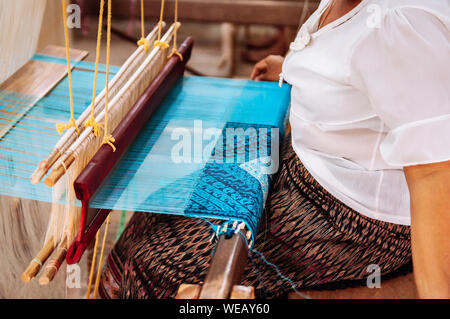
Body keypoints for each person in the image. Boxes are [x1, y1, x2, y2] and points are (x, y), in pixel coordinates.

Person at [100, 0, 450, 299]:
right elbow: (361, 65)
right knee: (151, 217)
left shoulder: (400, 23)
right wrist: (296, 70)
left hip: (348, 219)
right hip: (303, 168)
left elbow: (435, 173)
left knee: (152, 265)